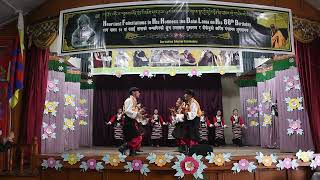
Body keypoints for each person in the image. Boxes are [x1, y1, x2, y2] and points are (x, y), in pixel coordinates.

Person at [118, 87, 144, 156]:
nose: (139, 93)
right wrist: (137, 113)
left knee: (132, 138)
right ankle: (124, 147)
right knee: (138, 137)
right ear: (133, 92)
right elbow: (127, 111)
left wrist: (138, 112)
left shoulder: (134, 100)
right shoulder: (129, 100)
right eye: (138, 92)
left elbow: (132, 111)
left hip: (131, 121)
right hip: (128, 121)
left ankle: (132, 152)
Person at [182, 89, 202, 153]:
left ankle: (193, 149)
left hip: (194, 120)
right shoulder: (189, 102)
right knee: (188, 134)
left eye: (186, 94)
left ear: (190, 95)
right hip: (190, 121)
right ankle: (188, 149)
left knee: (193, 135)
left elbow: (193, 114)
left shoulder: (194, 103)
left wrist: (186, 113)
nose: (185, 96)